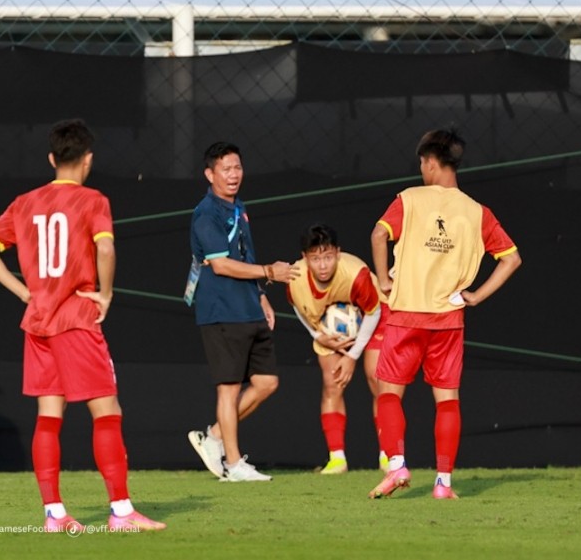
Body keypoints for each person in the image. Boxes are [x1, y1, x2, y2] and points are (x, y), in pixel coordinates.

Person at [0, 118, 165, 533]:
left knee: (49, 414)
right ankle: (121, 511)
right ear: (88, 159)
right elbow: (107, 248)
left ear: (51, 158)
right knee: (107, 411)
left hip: (39, 321)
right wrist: (107, 294)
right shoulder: (93, 200)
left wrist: (23, 291)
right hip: (76, 319)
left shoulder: (25, 201)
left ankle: (54, 515)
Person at [369, 129, 521, 500]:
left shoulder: (410, 198)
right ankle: (443, 484)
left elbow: (378, 235)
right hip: (449, 320)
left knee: (388, 392)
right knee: (447, 400)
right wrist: (476, 296)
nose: (421, 169)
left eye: (422, 163)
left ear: (431, 163)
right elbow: (512, 259)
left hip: (406, 313)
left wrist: (384, 279)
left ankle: (398, 465)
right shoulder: (476, 211)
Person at [186, 141, 299, 482]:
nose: (233, 175)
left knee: (266, 382)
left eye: (237, 167)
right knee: (229, 387)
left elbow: (245, 256)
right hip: (221, 310)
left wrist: (262, 295)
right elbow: (220, 265)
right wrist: (269, 272)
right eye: (225, 169)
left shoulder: (239, 208)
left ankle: (215, 436)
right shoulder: (206, 213)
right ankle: (233, 465)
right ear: (210, 174)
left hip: (248, 306)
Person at [286, 223, 389, 475]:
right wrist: (319, 336)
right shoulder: (295, 279)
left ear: (338, 253)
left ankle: (389, 455)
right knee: (333, 383)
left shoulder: (357, 275)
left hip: (375, 315)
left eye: (328, 257)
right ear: (304, 258)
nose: (323, 265)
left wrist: (353, 356)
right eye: (316, 259)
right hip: (327, 326)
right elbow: (300, 308)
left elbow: (373, 312)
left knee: (378, 380)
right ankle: (337, 458)